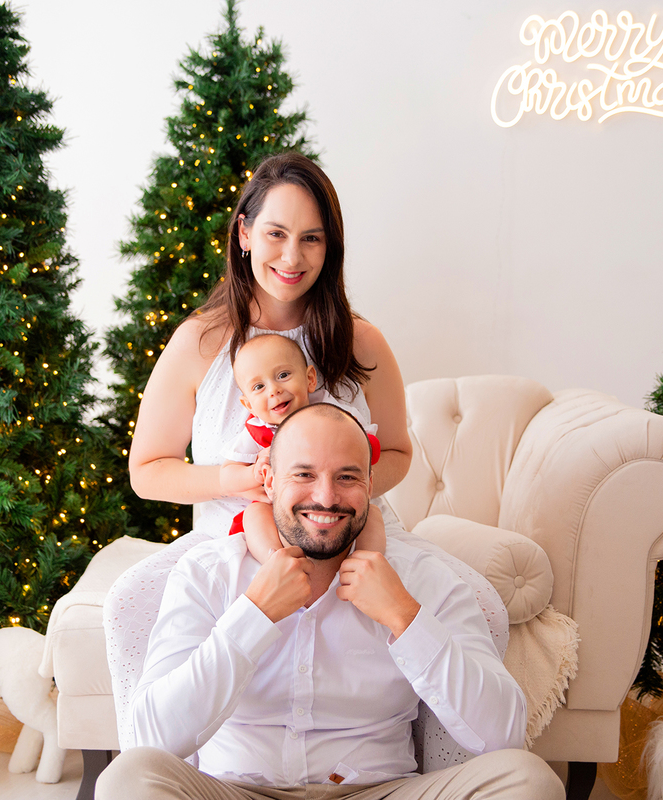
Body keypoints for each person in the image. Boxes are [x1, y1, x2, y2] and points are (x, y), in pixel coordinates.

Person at [107, 152, 509, 749]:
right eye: (275, 234)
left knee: (485, 606)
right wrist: (242, 482)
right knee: (126, 603)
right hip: (235, 537)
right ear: (244, 233)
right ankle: (171, 766)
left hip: (351, 530)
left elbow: (396, 452)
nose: (292, 258)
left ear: (330, 248)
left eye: (312, 239)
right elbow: (147, 471)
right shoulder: (201, 342)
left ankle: (444, 770)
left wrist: (335, 489)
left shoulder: (360, 340)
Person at [97, 404, 563, 799]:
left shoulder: (424, 579)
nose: (326, 496)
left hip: (378, 789)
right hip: (236, 790)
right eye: (304, 474)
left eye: (346, 477)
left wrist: (405, 618)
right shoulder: (209, 574)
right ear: (268, 479)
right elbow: (152, 738)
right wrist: (254, 616)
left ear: (369, 484)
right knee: (127, 781)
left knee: (529, 782)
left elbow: (502, 734)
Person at [222, 332, 386, 563]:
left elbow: (372, 451)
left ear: (310, 379)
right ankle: (277, 561)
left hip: (333, 510)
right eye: (259, 386)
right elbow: (227, 477)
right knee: (254, 514)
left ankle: (366, 563)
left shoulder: (333, 413)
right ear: (248, 404)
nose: (273, 390)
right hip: (280, 509)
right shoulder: (257, 429)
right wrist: (253, 472)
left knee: (373, 514)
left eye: (283, 375)